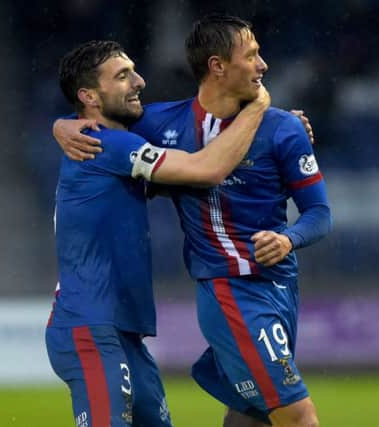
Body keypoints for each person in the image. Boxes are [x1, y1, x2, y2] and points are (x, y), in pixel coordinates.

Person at [54, 15, 330, 427]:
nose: (263, 65)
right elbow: (198, 166)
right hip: (226, 290)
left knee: (252, 413)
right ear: (218, 65)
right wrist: (60, 124)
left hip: (278, 288)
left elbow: (320, 212)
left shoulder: (282, 129)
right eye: (251, 55)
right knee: (297, 415)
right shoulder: (152, 127)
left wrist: (289, 238)